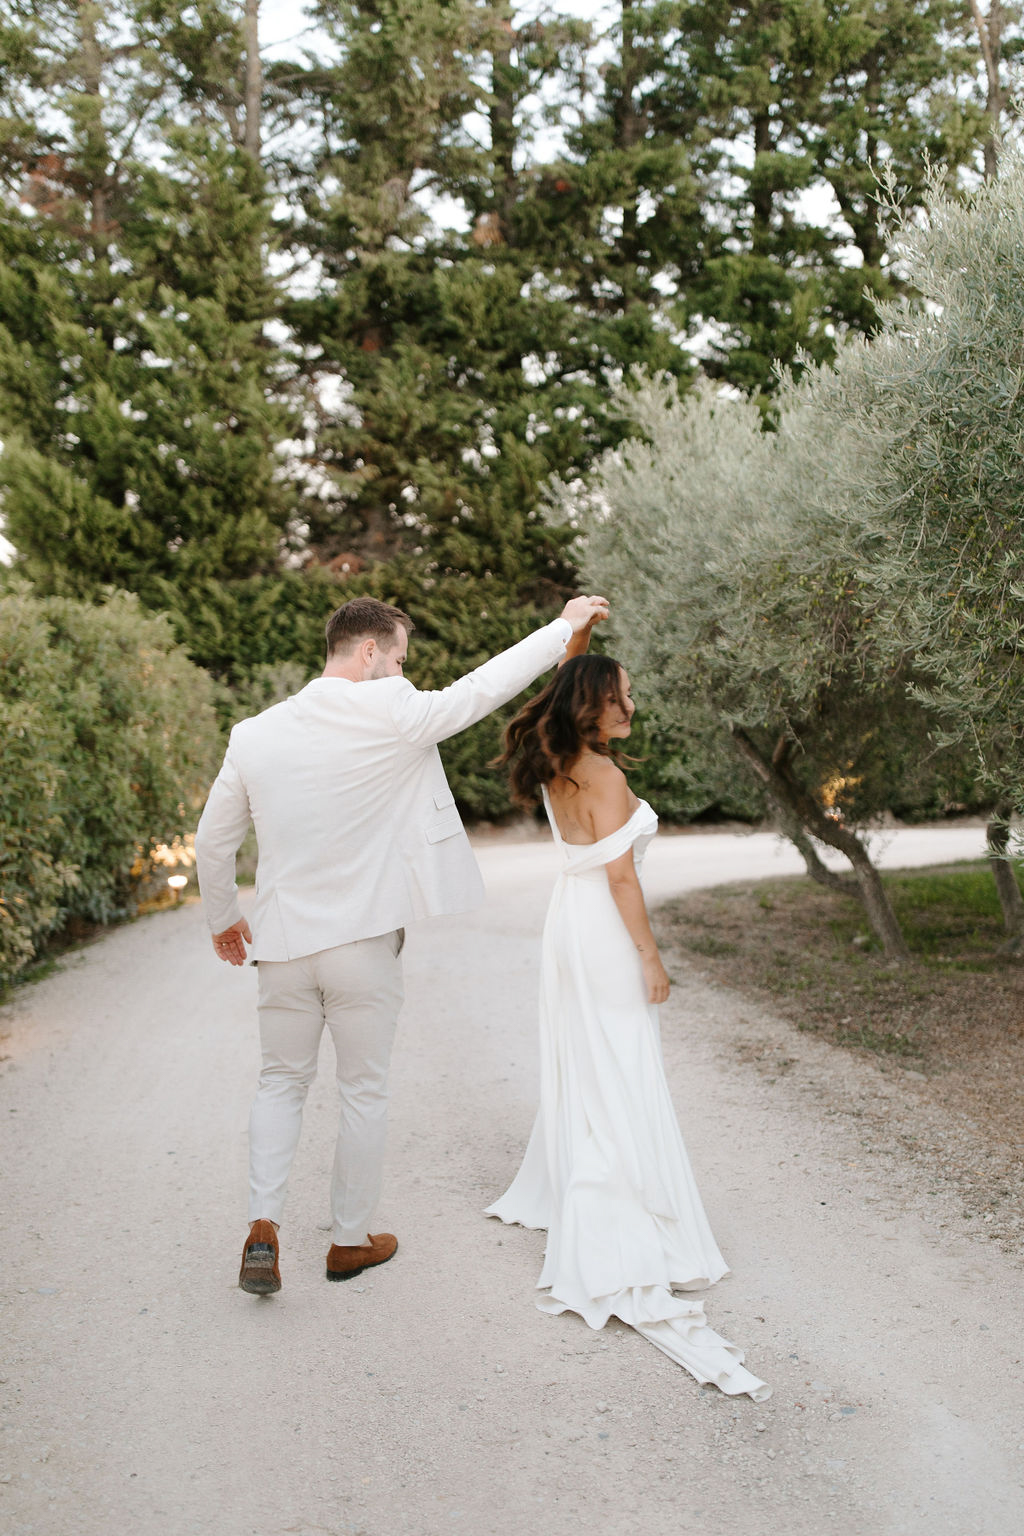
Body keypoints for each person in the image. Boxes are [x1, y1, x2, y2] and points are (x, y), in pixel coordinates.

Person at [194, 592, 609, 1295]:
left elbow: (213, 841)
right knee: (363, 1090)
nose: (402, 670)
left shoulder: (254, 734)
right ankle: (348, 1242)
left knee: (280, 1083)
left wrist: (222, 920)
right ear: (368, 653)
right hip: (361, 946)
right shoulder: (392, 711)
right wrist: (563, 629)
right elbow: (482, 689)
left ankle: (261, 1230)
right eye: (399, 658)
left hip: (285, 949)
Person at [487, 640, 771, 1401]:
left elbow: (558, 686)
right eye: (619, 697)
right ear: (590, 704)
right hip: (604, 931)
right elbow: (620, 876)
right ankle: (622, 1210)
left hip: (566, 924)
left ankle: (596, 1173)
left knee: (592, 1060)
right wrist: (650, 956)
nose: (630, 707)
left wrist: (575, 637)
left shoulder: (559, 763)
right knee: (621, 1062)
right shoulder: (604, 774)